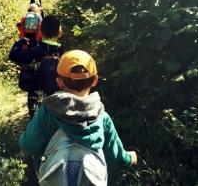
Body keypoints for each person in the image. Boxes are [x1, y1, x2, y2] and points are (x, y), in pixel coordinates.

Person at [19, 50, 137, 179]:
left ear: (59, 82)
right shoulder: (101, 116)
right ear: (95, 81)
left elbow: (28, 146)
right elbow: (117, 157)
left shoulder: (48, 111)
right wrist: (129, 158)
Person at [9, 15, 65, 119]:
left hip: (37, 97)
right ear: (60, 33)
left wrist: (21, 42)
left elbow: (14, 55)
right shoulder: (63, 53)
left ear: (40, 33)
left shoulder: (36, 51)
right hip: (58, 97)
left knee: (36, 119)